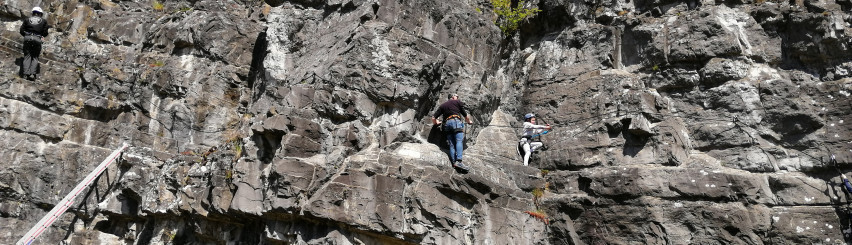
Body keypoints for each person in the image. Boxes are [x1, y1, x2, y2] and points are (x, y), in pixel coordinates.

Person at [432, 93, 473, 171]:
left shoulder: (443, 105)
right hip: (455, 122)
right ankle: (459, 161)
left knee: (451, 144)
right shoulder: (457, 102)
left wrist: (436, 123)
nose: (457, 97)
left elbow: (434, 117)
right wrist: (469, 121)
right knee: (459, 141)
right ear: (453, 97)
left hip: (447, 124)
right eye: (457, 96)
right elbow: (465, 115)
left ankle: (454, 162)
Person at [19, 7, 48, 81]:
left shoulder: (27, 20)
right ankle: (32, 74)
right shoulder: (44, 21)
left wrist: (26, 36)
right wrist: (41, 35)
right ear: (40, 14)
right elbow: (45, 32)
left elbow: (22, 30)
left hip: (28, 37)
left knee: (27, 56)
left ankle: (26, 74)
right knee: (35, 57)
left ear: (33, 13)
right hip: (37, 39)